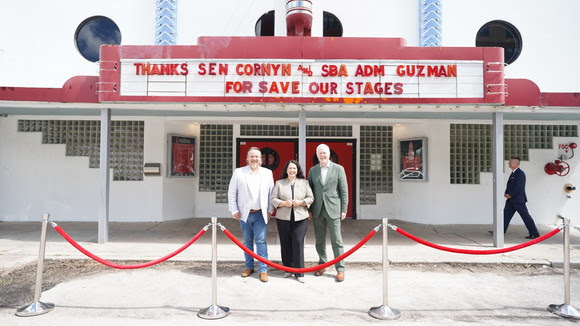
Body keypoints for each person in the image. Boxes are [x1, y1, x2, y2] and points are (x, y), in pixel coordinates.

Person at [228, 147, 275, 282]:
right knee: (247, 241)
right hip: (244, 214)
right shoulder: (239, 172)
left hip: (261, 214)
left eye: (257, 157)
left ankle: (263, 269)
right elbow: (232, 192)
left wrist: (270, 210)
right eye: (252, 157)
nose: (254, 159)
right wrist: (234, 210)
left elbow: (271, 193)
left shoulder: (267, 173)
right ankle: (249, 267)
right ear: (247, 158)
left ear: (260, 159)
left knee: (261, 241)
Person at [308, 144, 348, 282]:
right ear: (317, 154)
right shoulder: (313, 171)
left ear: (329, 154)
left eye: (324, 153)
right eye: (320, 153)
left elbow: (343, 191)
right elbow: (310, 191)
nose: (322, 155)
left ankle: (340, 269)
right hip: (318, 209)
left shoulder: (338, 169)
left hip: (334, 209)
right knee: (319, 241)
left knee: (336, 240)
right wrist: (309, 210)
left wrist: (344, 209)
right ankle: (322, 264)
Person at [271, 160, 314, 283]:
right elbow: (273, 199)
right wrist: (284, 203)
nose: (292, 171)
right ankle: (288, 269)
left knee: (298, 241)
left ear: (297, 170)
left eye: (294, 169)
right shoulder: (279, 183)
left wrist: (301, 202)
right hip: (283, 218)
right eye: (290, 168)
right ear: (286, 170)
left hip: (301, 218)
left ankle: (299, 271)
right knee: (285, 243)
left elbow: (311, 197)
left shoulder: (304, 183)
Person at [503, 157, 540, 239]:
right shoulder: (513, 173)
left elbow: (519, 187)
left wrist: (511, 195)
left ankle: (534, 233)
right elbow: (510, 185)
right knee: (505, 215)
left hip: (518, 200)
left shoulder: (520, 173)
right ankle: (500, 230)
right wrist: (506, 193)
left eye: (511, 162)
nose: (509, 163)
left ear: (516, 163)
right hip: (511, 200)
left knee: (525, 217)